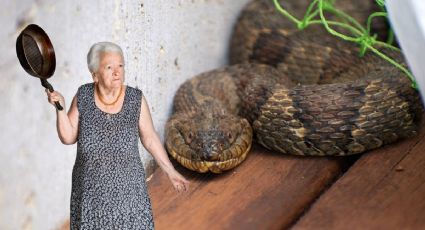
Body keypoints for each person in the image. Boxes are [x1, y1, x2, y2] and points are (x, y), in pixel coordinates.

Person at [46, 41, 189, 229]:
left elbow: (150, 138)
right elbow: (68, 137)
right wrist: (61, 110)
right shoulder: (83, 95)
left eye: (120, 65)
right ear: (94, 74)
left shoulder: (135, 99)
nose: (117, 72)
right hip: (91, 194)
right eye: (109, 67)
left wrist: (171, 172)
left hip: (129, 194)